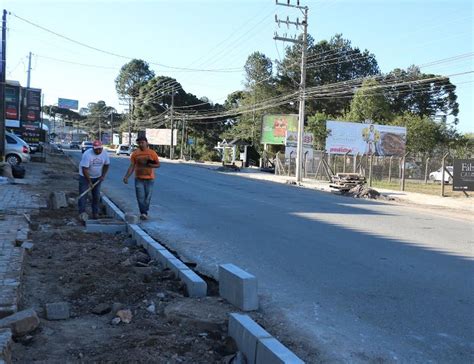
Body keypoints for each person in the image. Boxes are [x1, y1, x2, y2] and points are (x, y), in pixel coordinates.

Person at [122, 136, 160, 220]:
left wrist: (151, 165)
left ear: (146, 143)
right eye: (139, 143)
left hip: (150, 179)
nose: (141, 144)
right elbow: (132, 166)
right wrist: (126, 177)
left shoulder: (152, 153)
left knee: (147, 197)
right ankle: (143, 213)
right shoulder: (135, 154)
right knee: (140, 197)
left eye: (142, 142)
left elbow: (158, 164)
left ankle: (144, 210)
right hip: (139, 178)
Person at [78, 140, 110, 220]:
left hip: (97, 177)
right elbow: (84, 169)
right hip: (85, 177)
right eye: (96, 149)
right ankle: (82, 213)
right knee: (83, 195)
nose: (98, 151)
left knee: (96, 196)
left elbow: (106, 165)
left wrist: (102, 176)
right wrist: (89, 181)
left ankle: (95, 213)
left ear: (102, 148)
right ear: (93, 148)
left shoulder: (105, 154)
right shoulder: (87, 154)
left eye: (100, 149)